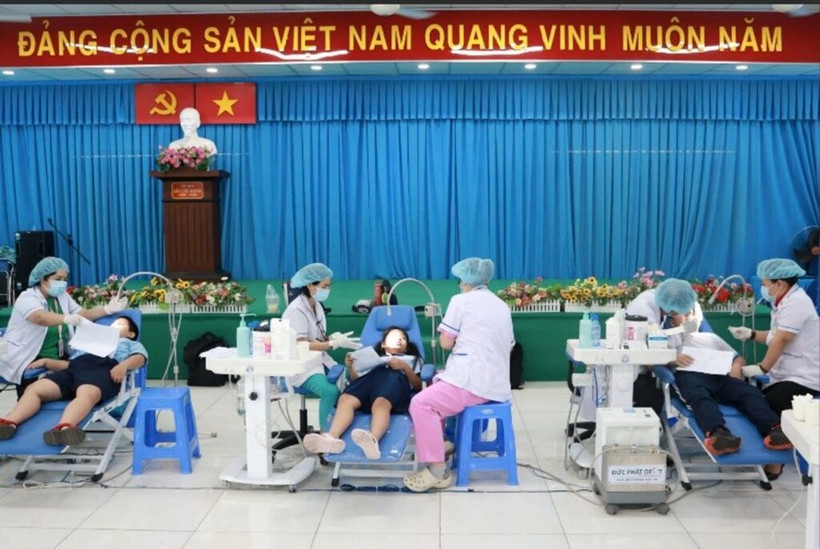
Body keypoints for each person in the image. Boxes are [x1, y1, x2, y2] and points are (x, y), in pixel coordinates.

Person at [402, 257, 515, 492]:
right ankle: (444, 443)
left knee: (421, 403)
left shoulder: (461, 301)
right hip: (496, 383)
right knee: (437, 380)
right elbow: (509, 344)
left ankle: (436, 471)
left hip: (472, 382)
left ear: (465, 281)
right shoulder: (501, 305)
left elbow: (444, 342)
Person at [0, 315, 146, 446]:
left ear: (131, 334)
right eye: (113, 323)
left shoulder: (130, 344)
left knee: (86, 393)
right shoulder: (91, 344)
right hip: (74, 371)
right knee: (35, 389)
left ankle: (65, 428)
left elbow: (140, 358)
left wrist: (124, 365)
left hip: (103, 372)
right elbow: (70, 365)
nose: (114, 326)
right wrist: (47, 362)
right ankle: (9, 423)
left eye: (120, 324)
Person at [668, 313, 791, 456]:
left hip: (721, 376)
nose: (689, 317)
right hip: (690, 376)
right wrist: (673, 359)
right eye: (684, 314)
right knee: (701, 399)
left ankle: (774, 429)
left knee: (750, 393)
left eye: (692, 313)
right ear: (671, 320)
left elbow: (738, 358)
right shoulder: (669, 339)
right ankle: (718, 434)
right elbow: (657, 359)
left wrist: (736, 368)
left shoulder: (710, 338)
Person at [0, 257, 128, 389]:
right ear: (43, 279)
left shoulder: (61, 296)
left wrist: (107, 309)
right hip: (29, 356)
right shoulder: (27, 298)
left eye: (65, 279)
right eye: (58, 279)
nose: (62, 283)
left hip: (58, 355)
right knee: (31, 399)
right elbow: (40, 318)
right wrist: (66, 318)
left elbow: (82, 314)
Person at [302, 326, 423, 459]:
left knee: (380, 403)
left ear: (406, 347)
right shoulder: (371, 359)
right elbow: (356, 381)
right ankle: (332, 439)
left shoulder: (412, 360)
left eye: (403, 338)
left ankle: (372, 441)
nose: (399, 339)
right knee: (346, 399)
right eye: (394, 337)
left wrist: (405, 367)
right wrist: (351, 367)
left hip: (394, 383)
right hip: (369, 381)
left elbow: (418, 386)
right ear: (383, 344)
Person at [729, 258, 819, 415]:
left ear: (780, 284)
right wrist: (751, 334)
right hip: (787, 371)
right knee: (756, 400)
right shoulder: (784, 302)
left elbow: (781, 339)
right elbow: (775, 335)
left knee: (771, 404)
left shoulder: (797, 302)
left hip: (805, 376)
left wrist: (762, 367)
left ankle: (782, 437)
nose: (763, 288)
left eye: (765, 284)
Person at [281, 262, 360, 432]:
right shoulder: (296, 310)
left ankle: (340, 427)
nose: (327, 290)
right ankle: (325, 437)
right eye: (324, 286)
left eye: (329, 286)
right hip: (301, 366)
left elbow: (318, 337)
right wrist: (332, 344)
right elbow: (301, 344)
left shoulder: (316, 306)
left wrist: (333, 338)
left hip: (318, 360)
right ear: (310, 285)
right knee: (330, 392)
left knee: (353, 380)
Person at [625, 278, 706, 417]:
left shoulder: (662, 299)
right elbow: (643, 353)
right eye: (682, 313)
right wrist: (671, 358)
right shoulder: (643, 310)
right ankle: (640, 436)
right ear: (672, 310)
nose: (686, 317)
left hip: (646, 365)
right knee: (652, 397)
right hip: (629, 370)